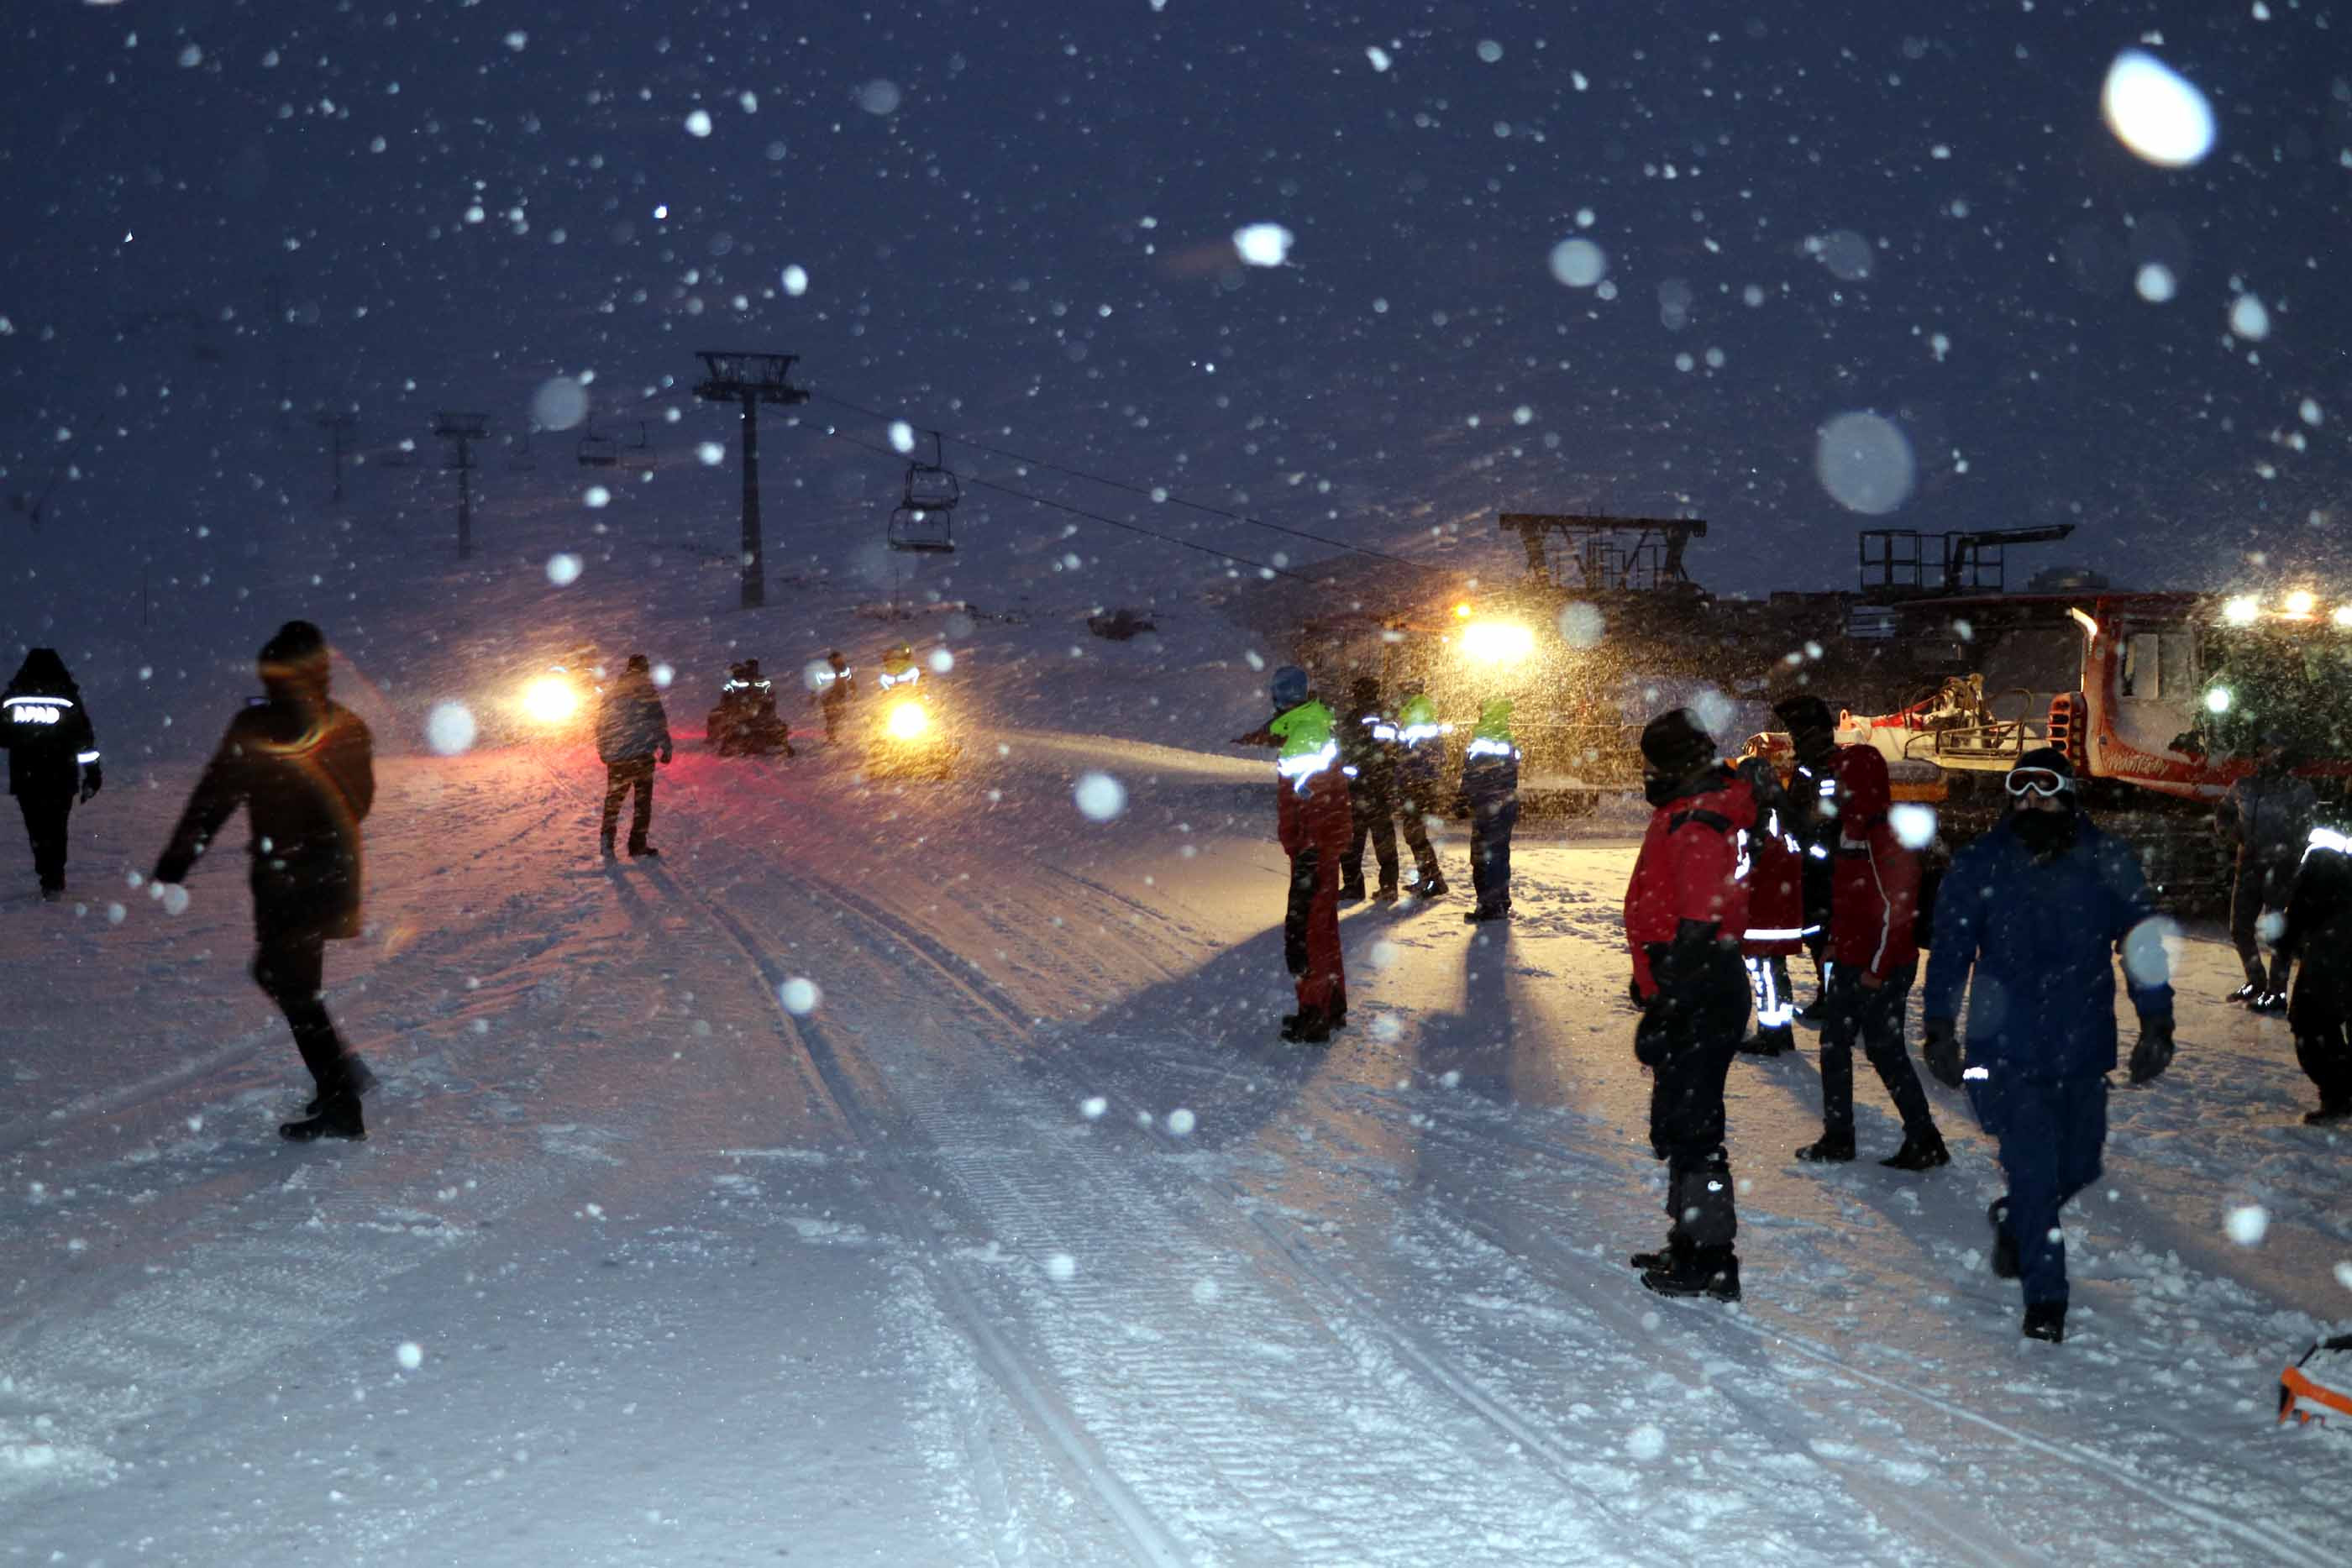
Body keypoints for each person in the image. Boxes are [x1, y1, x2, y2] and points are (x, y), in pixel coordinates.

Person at [1922, 747, 2175, 1344]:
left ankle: (2020, 1219)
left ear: (2069, 796)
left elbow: (2141, 942)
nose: (2032, 803)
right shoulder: (1982, 862)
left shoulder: (2105, 858)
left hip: (2082, 1042)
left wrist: (2156, 1021)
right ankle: (2045, 1300)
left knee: (2081, 1163)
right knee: (2033, 1170)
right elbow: (1951, 949)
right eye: (2021, 792)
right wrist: (1939, 1026)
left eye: (2044, 791)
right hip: (2004, 1047)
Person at [152, 621, 377, 1141]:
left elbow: (214, 798)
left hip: (290, 879)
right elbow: (359, 804)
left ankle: (343, 1100)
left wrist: (177, 862)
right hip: (328, 875)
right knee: (291, 981)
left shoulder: (257, 725)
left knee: (289, 983)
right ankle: (342, 1078)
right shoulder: (345, 723)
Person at [1624, 708, 1755, 1302]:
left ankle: (1712, 1257)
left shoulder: (1699, 821)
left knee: (1696, 1127)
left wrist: (1668, 1002)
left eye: (1654, 764)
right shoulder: (1689, 810)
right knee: (1681, 1120)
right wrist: (1652, 984)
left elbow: (1699, 925)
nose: (1647, 775)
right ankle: (1689, 1240)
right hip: (1692, 984)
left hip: (1702, 988)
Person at [1796, 745, 1949, 1169]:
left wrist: (1877, 969)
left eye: (1842, 779)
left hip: (1880, 966)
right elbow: (1849, 899)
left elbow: (1896, 909)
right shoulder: (1852, 828)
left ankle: (1864, 1138)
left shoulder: (1881, 831)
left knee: (1871, 1050)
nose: (1836, 787)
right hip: (1857, 959)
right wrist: (1835, 941)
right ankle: (1909, 1139)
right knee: (1857, 1048)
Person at [1263, 667, 1351, 1042]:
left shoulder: (1303, 738)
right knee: (1324, 928)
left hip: (1313, 850)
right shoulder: (1312, 727)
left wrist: (1309, 851)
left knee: (1307, 933)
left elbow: (1313, 800)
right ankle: (1331, 1006)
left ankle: (1314, 1014)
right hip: (1322, 847)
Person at [2215, 734, 2314, 1013]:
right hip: (2247, 865)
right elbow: (2223, 812)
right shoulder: (2243, 786)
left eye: (2272, 750)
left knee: (2277, 933)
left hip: (2281, 868)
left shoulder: (2299, 790)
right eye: (2262, 750)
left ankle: (2277, 992)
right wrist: (2230, 833)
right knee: (2240, 928)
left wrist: (2290, 851)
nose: (2265, 755)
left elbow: (2307, 825)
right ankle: (2256, 980)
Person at [2, 648, 101, 901]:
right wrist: (92, 774)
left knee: (36, 828)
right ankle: (54, 876)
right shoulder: (67, 698)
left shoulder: (13, 699)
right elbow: (84, 739)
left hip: (26, 778)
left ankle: (46, 873)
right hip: (60, 777)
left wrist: (24, 737)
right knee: (57, 827)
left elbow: (1, 736)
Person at [2278, 815, 2352, 1124]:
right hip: (2334, 944)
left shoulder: (2328, 840)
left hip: (2334, 948)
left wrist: (2287, 938)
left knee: (2310, 1021)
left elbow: (2305, 899)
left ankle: (2339, 1093)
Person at [1772, 695, 1840, 1024]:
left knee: (1823, 933)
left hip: (1822, 867)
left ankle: (1833, 999)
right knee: (1817, 931)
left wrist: (1805, 843)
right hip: (1813, 864)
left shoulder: (1824, 767)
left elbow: (1825, 819)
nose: (1791, 738)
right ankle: (1832, 996)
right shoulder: (1811, 765)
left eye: (1794, 731)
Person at [1734, 753, 1803, 1057]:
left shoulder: (1757, 817)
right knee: (1776, 971)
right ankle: (1781, 1030)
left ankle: (1771, 1034)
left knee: (1764, 973)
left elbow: (1744, 867)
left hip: (1763, 910)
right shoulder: (1782, 813)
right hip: (1782, 908)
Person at [596, 653, 672, 858]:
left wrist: (604, 751)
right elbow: (659, 724)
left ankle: (607, 843)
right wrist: (666, 748)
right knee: (642, 804)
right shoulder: (648, 693)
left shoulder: (613, 693)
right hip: (642, 757)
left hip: (618, 757)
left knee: (613, 801)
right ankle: (637, 845)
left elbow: (602, 725)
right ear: (645, 670)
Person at [1455, 699, 1520, 923]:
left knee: (1484, 856)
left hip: (1487, 804)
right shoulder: (1507, 737)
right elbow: (1510, 775)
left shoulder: (1482, 736)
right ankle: (1501, 901)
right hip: (1506, 803)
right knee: (1500, 853)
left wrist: (1463, 798)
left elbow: (1472, 773)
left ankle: (1489, 905)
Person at [1338, 675, 1402, 904]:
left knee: (1351, 841)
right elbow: (1394, 749)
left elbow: (1345, 750)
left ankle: (1354, 886)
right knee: (1384, 840)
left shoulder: (1353, 718)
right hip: (1380, 788)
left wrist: (1349, 772)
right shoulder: (1387, 717)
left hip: (1357, 788)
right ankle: (1389, 886)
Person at [1391, 679, 1448, 896]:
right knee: (1414, 834)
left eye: (1403, 694)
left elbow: (1419, 758)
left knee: (1414, 834)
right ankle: (1430, 878)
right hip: (1419, 785)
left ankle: (1433, 881)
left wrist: (1410, 777)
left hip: (1417, 786)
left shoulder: (1418, 719)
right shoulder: (1419, 717)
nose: (1400, 699)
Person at [817, 649, 854, 743]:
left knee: (838, 715)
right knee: (832, 717)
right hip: (830, 697)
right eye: (837, 659)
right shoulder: (827, 670)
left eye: (840, 659)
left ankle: (832, 735)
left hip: (839, 695)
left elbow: (850, 679)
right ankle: (832, 737)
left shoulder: (844, 668)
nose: (840, 660)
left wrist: (853, 689)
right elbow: (821, 683)